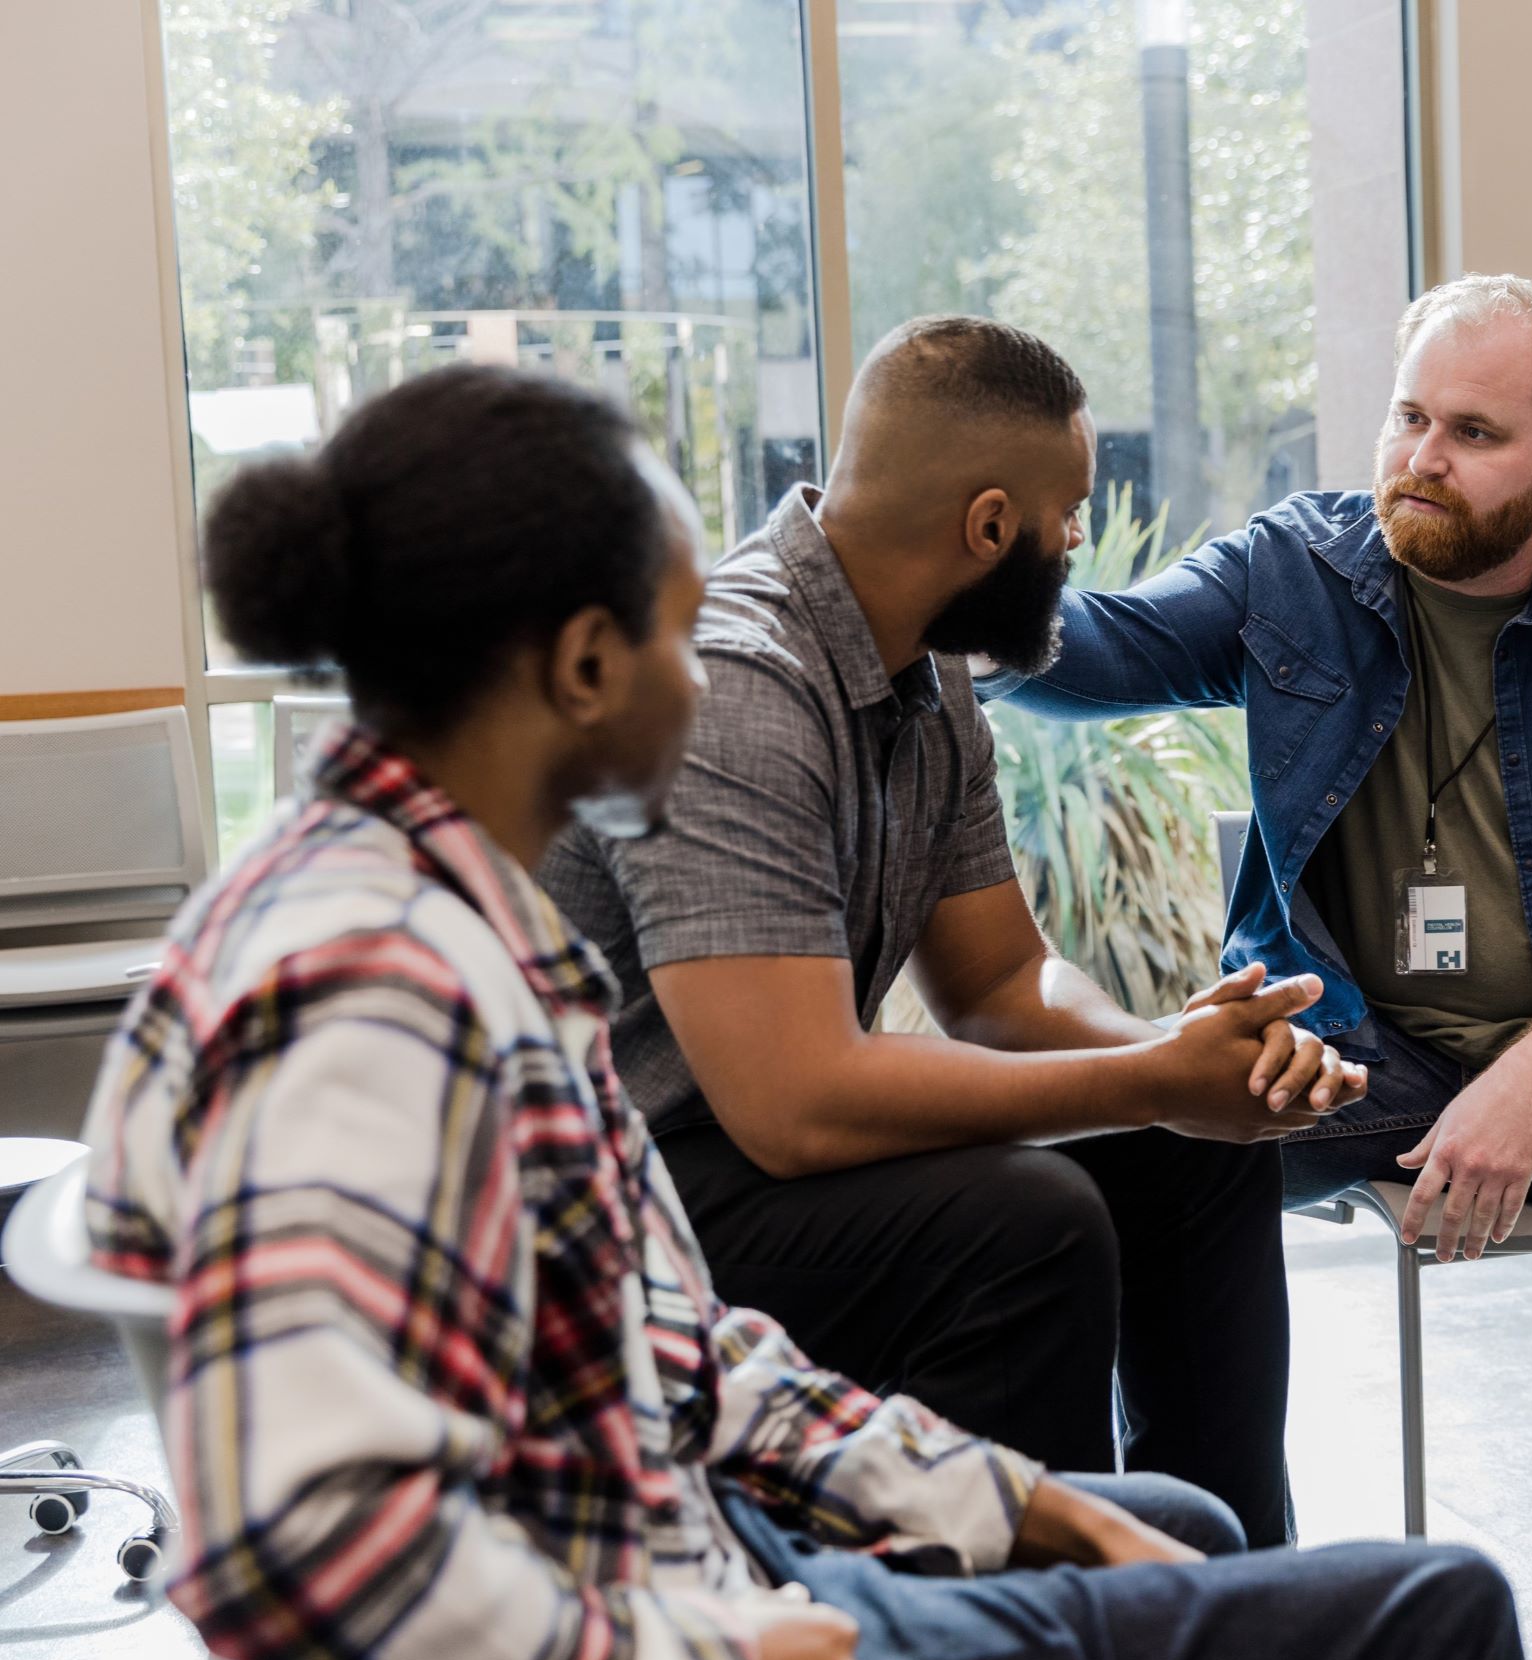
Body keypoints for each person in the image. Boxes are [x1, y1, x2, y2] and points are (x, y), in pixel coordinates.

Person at [79, 364, 1532, 1660]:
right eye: (671, 630)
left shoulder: (442, 921)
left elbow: (675, 1347)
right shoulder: (368, 994)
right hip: (693, 1640)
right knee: (1440, 1619)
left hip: (694, 1545)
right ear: (586, 665)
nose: (694, 658)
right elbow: (311, 1551)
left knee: (1179, 1518)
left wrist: (1018, 1503)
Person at [977, 273, 1532, 1660]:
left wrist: (1527, 1081)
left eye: (1469, 430)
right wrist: (949, 575)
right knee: (1139, 1130)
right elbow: (1096, 653)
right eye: (1406, 414)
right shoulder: (1295, 569)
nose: (1417, 455)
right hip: (1351, 1048)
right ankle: (1216, 1579)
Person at [541, 314, 1367, 1553]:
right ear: (990, 527)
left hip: (749, 1155)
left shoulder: (929, 672)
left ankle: (1224, 1613)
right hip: (625, 1198)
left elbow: (1002, 980)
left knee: (1194, 1153)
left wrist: (1182, 1062)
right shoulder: (737, 688)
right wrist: (1148, 1076)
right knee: (1029, 1220)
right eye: (1070, 514)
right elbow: (794, 1102)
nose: (1080, 543)